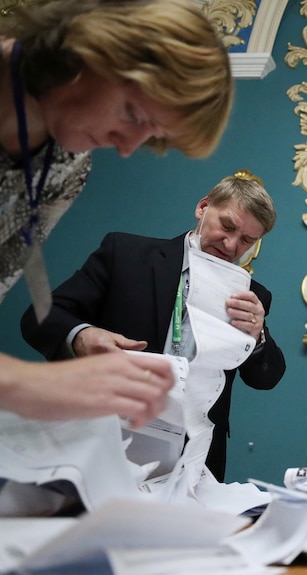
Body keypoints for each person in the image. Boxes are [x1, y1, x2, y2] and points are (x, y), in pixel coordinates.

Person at [0, 0, 233, 425]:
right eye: (133, 114)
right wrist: (26, 384)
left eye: (151, 134)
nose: (126, 148)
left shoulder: (67, 166)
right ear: (94, 49)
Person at [21, 172, 286, 482]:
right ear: (203, 207)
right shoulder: (125, 252)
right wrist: (83, 335)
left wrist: (257, 337)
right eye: (227, 226)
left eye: (247, 240)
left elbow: (267, 377)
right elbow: (39, 315)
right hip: (105, 430)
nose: (231, 245)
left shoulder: (253, 295)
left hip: (195, 453)